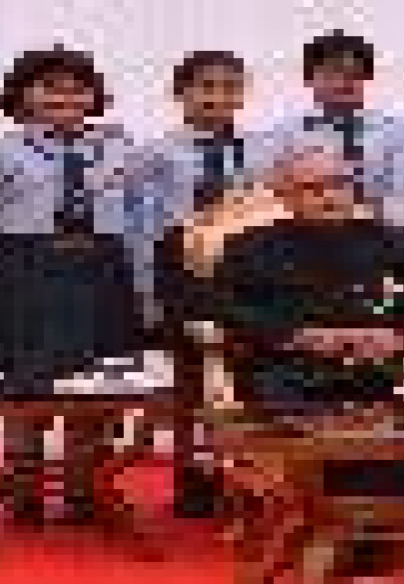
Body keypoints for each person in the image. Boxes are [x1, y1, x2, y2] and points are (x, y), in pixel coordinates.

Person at [203, 149, 404, 579]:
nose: (329, 196)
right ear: (284, 195)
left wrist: (401, 334)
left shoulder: (394, 239)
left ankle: (366, 529)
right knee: (319, 432)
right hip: (293, 371)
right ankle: (348, 534)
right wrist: (300, 336)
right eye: (313, 188)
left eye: (339, 185)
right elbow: (226, 311)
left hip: (386, 371)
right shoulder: (248, 247)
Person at [0, 47, 147, 524]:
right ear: (21, 95)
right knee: (27, 378)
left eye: (78, 89)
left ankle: (85, 486)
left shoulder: (118, 146)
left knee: (97, 377)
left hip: (101, 268)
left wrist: (141, 281)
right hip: (27, 269)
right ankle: (22, 487)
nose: (65, 98)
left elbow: (136, 212)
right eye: (50, 89)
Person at [138, 50, 257, 519]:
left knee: (246, 376)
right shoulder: (154, 153)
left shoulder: (261, 150)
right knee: (190, 379)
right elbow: (140, 225)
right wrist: (146, 290)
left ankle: (246, 482)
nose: (217, 97)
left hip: (242, 271)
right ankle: (192, 479)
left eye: (230, 87)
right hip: (179, 269)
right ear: (180, 93)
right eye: (206, 86)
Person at [260, 30, 404, 219]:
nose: (344, 81)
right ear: (309, 79)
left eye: (354, 74)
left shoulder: (399, 134)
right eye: (333, 73)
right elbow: (271, 194)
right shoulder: (282, 135)